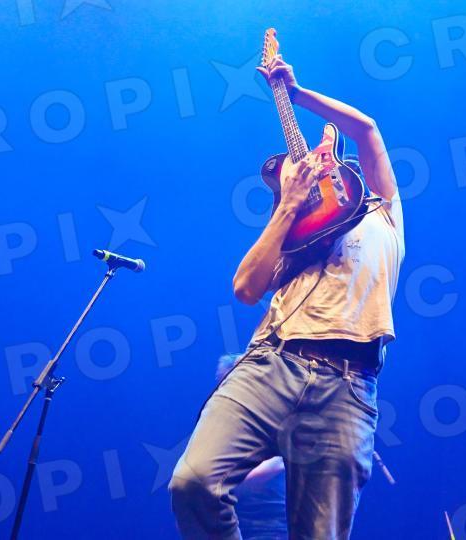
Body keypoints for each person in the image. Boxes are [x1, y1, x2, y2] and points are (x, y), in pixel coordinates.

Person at [168, 54, 403, 540]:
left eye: (326, 159)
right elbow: (245, 288)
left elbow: (366, 129)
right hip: (272, 363)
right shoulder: (295, 233)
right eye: (310, 163)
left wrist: (296, 94)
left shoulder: (384, 211)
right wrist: (288, 206)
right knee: (194, 482)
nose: (317, 164)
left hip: (347, 384)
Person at [215, 354, 288, 540]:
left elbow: (280, 463)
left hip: (273, 527)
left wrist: (225, 484)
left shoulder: (277, 421)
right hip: (232, 528)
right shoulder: (218, 429)